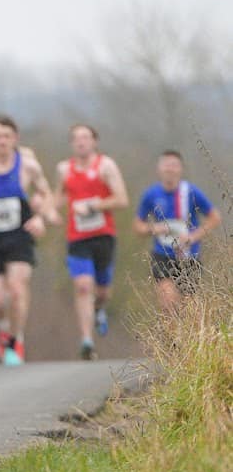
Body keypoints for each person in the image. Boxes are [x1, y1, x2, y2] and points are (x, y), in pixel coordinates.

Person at [0, 115, 60, 366]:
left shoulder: (27, 166)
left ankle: (15, 341)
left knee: (16, 289)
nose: (2, 141)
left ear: (15, 139)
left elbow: (47, 193)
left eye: (7, 136)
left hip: (19, 234)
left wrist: (39, 218)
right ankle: (4, 325)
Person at [53, 124, 128, 360]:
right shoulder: (64, 169)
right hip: (77, 237)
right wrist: (47, 211)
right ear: (71, 144)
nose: (81, 142)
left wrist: (95, 205)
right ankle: (87, 341)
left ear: (94, 141)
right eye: (76, 138)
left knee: (103, 290)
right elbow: (59, 196)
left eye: (85, 137)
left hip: (103, 235)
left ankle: (99, 308)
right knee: (83, 286)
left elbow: (122, 199)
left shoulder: (106, 166)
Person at [133, 150, 222, 315]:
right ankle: (170, 339)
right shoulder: (151, 195)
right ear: (159, 168)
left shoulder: (191, 192)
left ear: (181, 169)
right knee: (167, 302)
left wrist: (193, 236)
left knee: (191, 308)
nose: (170, 169)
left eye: (174, 165)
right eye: (166, 164)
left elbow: (214, 217)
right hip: (162, 254)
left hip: (189, 256)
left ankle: (187, 339)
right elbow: (138, 226)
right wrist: (155, 228)